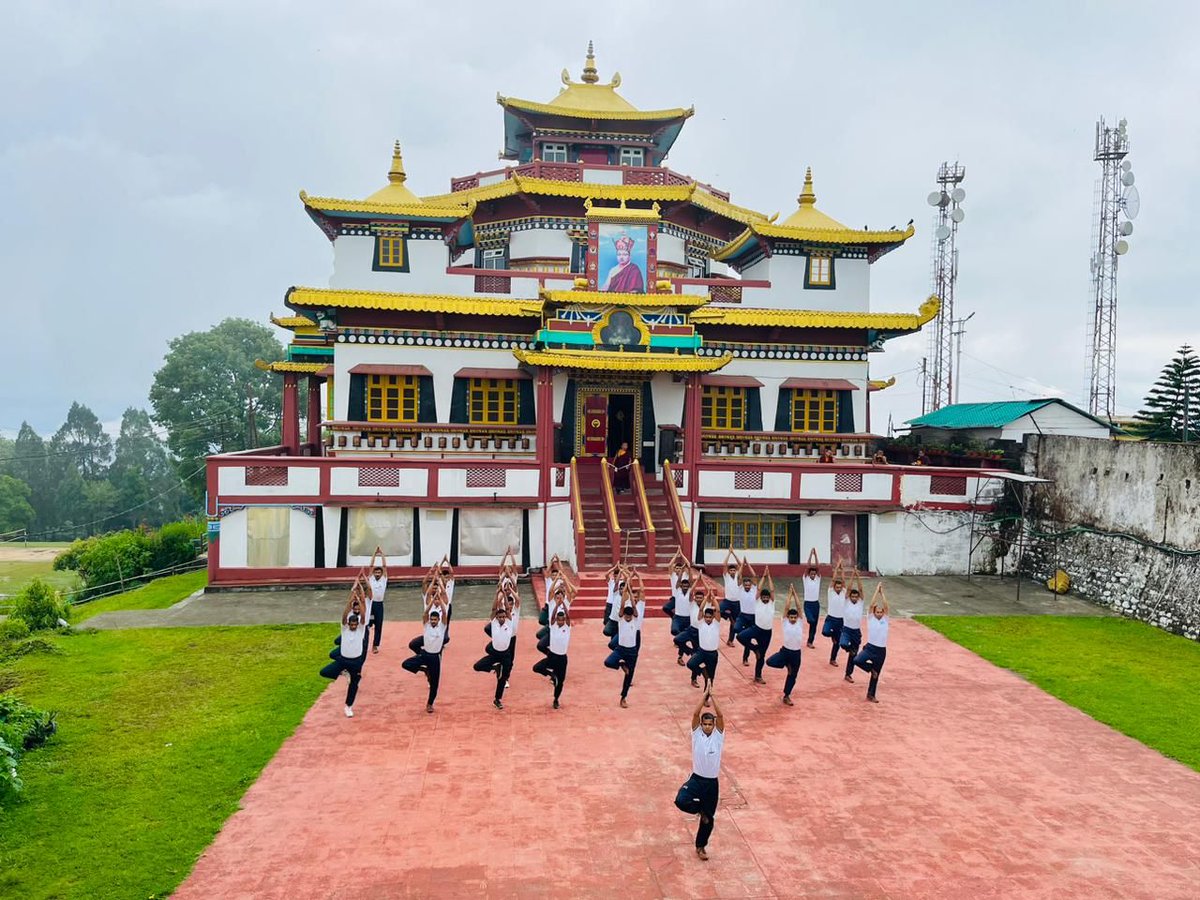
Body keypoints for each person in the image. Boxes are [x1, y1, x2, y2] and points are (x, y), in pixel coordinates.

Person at [674, 690, 725, 861]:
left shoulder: (718, 737)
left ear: (714, 725)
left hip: (712, 784)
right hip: (697, 779)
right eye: (705, 724)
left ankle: (701, 847)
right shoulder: (697, 735)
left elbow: (721, 715)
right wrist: (704, 697)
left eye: (710, 724)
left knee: (708, 820)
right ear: (701, 725)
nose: (708, 727)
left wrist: (714, 697)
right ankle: (699, 810)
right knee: (681, 800)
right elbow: (696, 713)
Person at [319, 590, 370, 718]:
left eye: (355, 624)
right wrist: (350, 601)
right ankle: (343, 672)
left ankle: (348, 706)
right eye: (351, 624)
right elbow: (344, 615)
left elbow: (363, 615)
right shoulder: (344, 628)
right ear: (348, 624)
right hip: (343, 660)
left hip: (356, 662)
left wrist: (360, 601)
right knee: (324, 672)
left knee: (354, 685)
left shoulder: (361, 630)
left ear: (358, 624)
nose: (353, 626)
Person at [401, 594, 446, 713]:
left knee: (435, 683)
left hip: (435, 657)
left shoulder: (442, 627)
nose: (432, 621)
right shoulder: (426, 626)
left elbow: (445, 614)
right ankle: (424, 670)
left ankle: (430, 704)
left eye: (435, 620)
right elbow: (425, 614)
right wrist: (431, 603)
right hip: (425, 654)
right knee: (405, 664)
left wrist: (440, 601)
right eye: (431, 619)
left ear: (438, 620)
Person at [473, 593, 518, 709]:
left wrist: (505, 597)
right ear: (496, 618)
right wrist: (498, 595)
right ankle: (495, 667)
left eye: (503, 617)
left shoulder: (509, 622)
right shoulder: (494, 624)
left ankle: (497, 699)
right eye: (500, 617)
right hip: (495, 654)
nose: (502, 619)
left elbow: (507, 609)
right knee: (477, 666)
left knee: (502, 679)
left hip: (505, 654)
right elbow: (493, 609)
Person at [604, 587, 644, 708]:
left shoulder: (635, 620)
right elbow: (622, 606)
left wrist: (631, 594)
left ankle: (623, 697)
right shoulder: (621, 619)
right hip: (620, 649)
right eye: (626, 615)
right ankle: (621, 665)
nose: (628, 617)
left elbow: (633, 605)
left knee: (628, 676)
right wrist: (626, 589)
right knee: (608, 662)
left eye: (629, 615)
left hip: (632, 651)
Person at [851, 585, 890, 703]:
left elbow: (887, 606)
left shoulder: (885, 620)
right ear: (874, 612)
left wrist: (882, 593)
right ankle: (870, 669)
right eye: (877, 612)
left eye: (880, 612)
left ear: (883, 613)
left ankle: (871, 694)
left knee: (876, 675)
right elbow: (871, 605)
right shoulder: (871, 618)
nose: (879, 613)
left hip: (881, 651)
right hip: (870, 648)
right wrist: (876, 591)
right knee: (857, 660)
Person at [766, 586, 804, 706]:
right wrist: (789, 594)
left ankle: (786, 695)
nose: (793, 619)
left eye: (794, 617)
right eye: (791, 617)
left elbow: (798, 607)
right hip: (785, 651)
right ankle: (785, 664)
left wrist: (795, 594)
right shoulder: (785, 622)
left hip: (796, 653)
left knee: (792, 676)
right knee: (769, 662)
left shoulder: (800, 622)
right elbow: (787, 607)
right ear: (787, 617)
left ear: (797, 617)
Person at [736, 568, 775, 684]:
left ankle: (758, 676)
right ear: (760, 598)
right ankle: (754, 649)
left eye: (767, 598)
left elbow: (772, 590)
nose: (765, 599)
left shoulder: (772, 603)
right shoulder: (757, 602)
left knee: (761, 656)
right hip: (756, 629)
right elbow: (758, 588)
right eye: (763, 597)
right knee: (740, 637)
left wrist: (769, 577)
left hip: (767, 632)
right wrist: (763, 576)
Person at [532, 604, 571, 709]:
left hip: (562, 658)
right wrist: (557, 605)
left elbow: (568, 616)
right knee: (536, 668)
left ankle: (556, 699)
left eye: (562, 620)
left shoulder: (567, 628)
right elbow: (552, 617)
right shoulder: (553, 627)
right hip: (552, 656)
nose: (561, 622)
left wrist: (563, 604)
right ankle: (551, 675)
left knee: (560, 682)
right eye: (559, 620)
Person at [687, 599, 721, 691]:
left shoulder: (716, 624)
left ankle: (706, 696)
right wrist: (706, 598)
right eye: (706, 617)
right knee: (690, 664)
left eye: (710, 617)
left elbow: (718, 610)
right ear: (704, 617)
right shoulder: (701, 623)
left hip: (712, 654)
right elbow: (701, 609)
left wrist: (713, 598)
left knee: (710, 679)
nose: (708, 619)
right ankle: (703, 671)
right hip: (701, 652)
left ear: (713, 617)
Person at [840, 570, 866, 682]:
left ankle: (848, 674)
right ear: (850, 597)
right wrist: (852, 576)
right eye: (853, 596)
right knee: (843, 643)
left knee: (853, 656)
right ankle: (849, 649)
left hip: (856, 632)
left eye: (856, 596)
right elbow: (849, 588)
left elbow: (860, 589)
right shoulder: (846, 601)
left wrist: (858, 576)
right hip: (847, 630)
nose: (854, 598)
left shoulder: (860, 602)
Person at [733, 562, 758, 666]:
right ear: (743, 585)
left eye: (749, 585)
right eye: (746, 585)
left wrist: (749, 565)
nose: (747, 586)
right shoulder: (740, 590)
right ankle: (753, 647)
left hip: (752, 617)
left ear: (751, 585)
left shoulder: (754, 589)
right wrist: (742, 566)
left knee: (748, 639)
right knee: (736, 629)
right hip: (743, 615)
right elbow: (739, 576)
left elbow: (754, 576)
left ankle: (745, 659)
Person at [823, 561, 848, 666]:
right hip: (830, 618)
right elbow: (833, 580)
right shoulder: (831, 592)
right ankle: (832, 634)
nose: (838, 588)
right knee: (825, 632)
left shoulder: (844, 592)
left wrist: (842, 571)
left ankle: (832, 659)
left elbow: (843, 580)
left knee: (837, 643)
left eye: (839, 587)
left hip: (840, 620)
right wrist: (837, 568)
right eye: (836, 587)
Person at [366, 547, 388, 654]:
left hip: (379, 606)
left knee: (378, 625)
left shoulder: (384, 580)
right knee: (368, 624)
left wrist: (382, 555)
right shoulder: (371, 579)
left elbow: (384, 566)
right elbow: (370, 567)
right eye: (376, 572)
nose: (378, 574)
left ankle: (375, 645)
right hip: (371, 605)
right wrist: (374, 554)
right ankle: (363, 643)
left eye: (379, 572)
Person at [719, 550, 742, 645]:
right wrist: (729, 553)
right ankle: (727, 616)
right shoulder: (726, 576)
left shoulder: (738, 576)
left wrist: (734, 553)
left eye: (734, 570)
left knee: (734, 623)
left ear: (735, 571)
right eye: (731, 570)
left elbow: (740, 564)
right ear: (728, 571)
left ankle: (730, 640)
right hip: (727, 601)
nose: (732, 571)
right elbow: (724, 564)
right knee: (718, 610)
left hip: (737, 602)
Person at [800, 549, 822, 649]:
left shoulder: (817, 579)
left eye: (814, 573)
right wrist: (810, 555)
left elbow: (818, 567)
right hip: (808, 604)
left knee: (814, 625)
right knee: (811, 621)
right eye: (811, 573)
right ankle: (809, 620)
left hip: (816, 604)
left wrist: (816, 555)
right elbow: (807, 567)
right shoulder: (806, 579)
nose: (813, 575)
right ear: (809, 574)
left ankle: (810, 641)